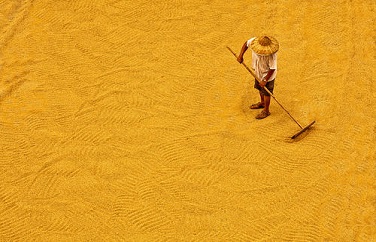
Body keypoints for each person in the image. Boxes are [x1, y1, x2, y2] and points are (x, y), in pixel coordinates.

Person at [237, 35, 279, 119]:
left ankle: (266, 111)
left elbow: (272, 68)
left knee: (267, 93)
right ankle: (262, 103)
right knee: (260, 88)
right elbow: (246, 44)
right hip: (258, 71)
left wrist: (265, 80)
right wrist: (241, 55)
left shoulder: (272, 55)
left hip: (268, 75)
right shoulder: (253, 42)